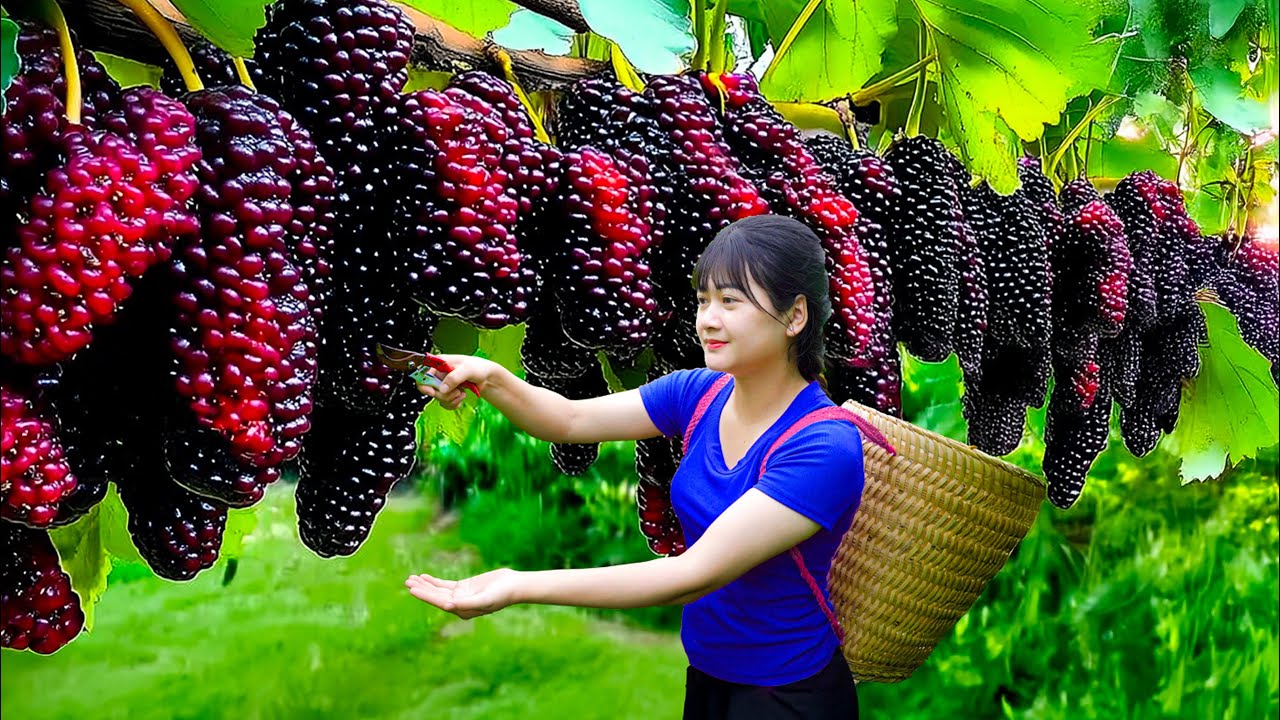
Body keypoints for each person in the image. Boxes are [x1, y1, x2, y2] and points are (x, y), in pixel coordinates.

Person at [406, 214, 866, 719]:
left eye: (730, 301)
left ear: (794, 315)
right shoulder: (698, 394)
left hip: (789, 695)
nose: (707, 320)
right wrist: (491, 378)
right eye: (703, 300)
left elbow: (693, 574)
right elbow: (569, 419)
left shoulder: (823, 447)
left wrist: (518, 585)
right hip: (709, 677)